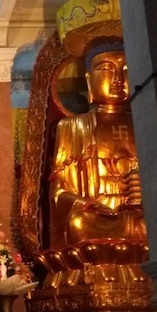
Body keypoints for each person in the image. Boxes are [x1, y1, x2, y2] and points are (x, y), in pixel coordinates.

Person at [48, 39, 146, 249]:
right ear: (88, 79)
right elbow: (58, 192)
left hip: (139, 218)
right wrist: (86, 204)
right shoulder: (72, 126)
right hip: (100, 219)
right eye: (106, 70)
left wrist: (144, 193)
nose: (118, 79)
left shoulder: (145, 123)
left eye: (126, 70)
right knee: (78, 223)